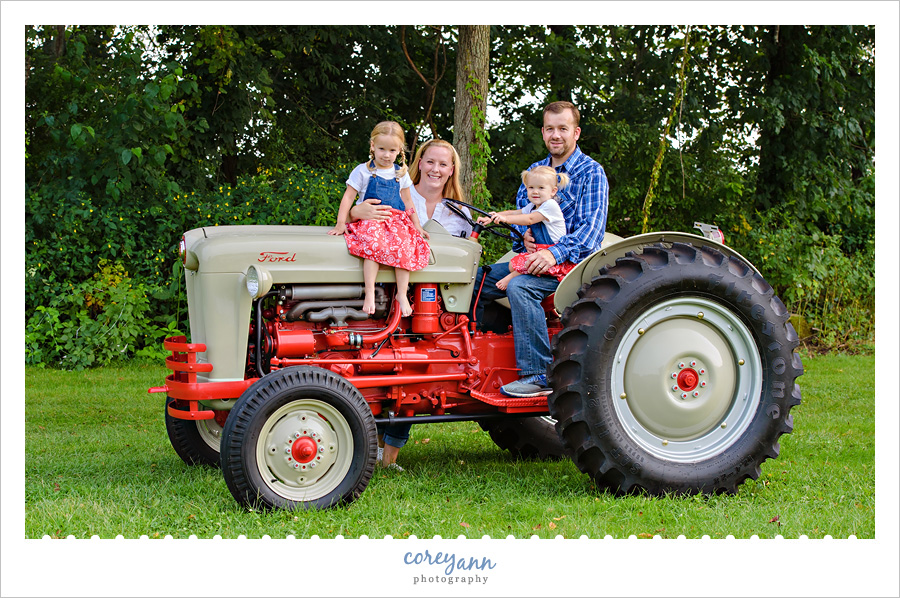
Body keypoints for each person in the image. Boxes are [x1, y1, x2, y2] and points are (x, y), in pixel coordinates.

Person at [348, 137, 471, 470]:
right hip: (391, 289)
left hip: (432, 300)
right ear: (418, 162)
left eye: (443, 164)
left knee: (414, 366)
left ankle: (389, 456)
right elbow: (356, 214)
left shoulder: (459, 212)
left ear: (452, 170)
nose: (435, 169)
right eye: (430, 161)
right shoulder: (399, 186)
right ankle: (366, 443)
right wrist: (357, 210)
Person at [473, 101, 609, 398]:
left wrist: (552, 253)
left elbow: (591, 232)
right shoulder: (535, 174)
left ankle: (537, 374)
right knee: (476, 281)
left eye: (563, 128)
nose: (556, 135)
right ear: (543, 132)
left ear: (576, 132)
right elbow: (520, 226)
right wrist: (524, 239)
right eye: (550, 128)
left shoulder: (591, 173)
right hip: (533, 257)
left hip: (572, 266)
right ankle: (477, 362)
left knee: (520, 286)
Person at [329, 121, 431, 318]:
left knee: (404, 245)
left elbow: (408, 201)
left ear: (399, 150)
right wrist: (341, 223)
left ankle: (401, 293)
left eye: (392, 150)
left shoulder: (400, 173)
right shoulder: (363, 171)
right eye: (382, 149)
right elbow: (348, 197)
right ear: (373, 146)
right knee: (373, 246)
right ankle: (369, 293)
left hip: (395, 221)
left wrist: (416, 225)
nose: (386, 154)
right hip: (371, 219)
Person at [477, 166, 575, 290]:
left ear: (553, 191)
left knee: (526, 263)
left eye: (541, 188)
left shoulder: (550, 205)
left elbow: (529, 219)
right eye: (531, 187)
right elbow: (513, 213)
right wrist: (493, 216)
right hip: (538, 252)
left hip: (550, 256)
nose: (535, 191)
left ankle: (511, 278)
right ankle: (513, 274)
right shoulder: (532, 206)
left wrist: (505, 220)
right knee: (514, 264)